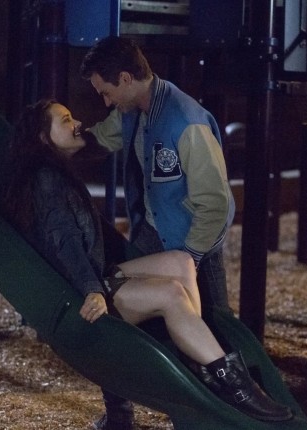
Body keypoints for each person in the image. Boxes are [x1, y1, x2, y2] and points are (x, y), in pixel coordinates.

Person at [0, 99, 293, 426]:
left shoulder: (57, 173)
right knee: (171, 294)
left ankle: (196, 357)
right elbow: (64, 241)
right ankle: (234, 385)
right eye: (66, 120)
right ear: (43, 137)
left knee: (181, 262)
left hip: (92, 277)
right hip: (79, 297)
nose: (77, 123)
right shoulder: (46, 179)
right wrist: (92, 290)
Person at [80, 36, 235, 429]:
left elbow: (216, 204)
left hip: (196, 241)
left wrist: (190, 259)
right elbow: (101, 137)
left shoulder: (186, 122)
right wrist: (60, 140)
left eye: (106, 91)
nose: (106, 101)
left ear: (126, 78)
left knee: (214, 333)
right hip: (154, 232)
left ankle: (215, 419)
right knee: (115, 319)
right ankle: (119, 415)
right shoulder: (134, 110)